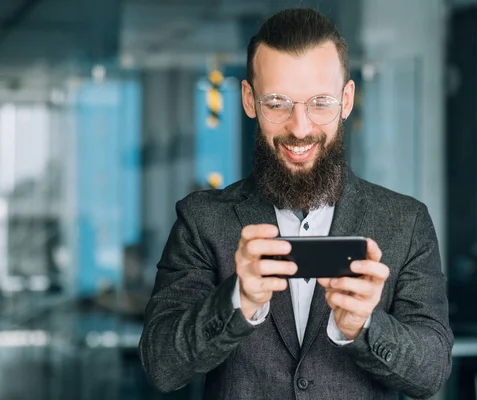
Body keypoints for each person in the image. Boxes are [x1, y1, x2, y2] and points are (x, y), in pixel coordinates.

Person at [139, 7, 453, 400]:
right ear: (250, 100)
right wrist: (239, 301)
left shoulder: (405, 223)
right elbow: (161, 366)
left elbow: (432, 372)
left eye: (320, 103)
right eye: (277, 103)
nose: (300, 128)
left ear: (347, 99)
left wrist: (364, 326)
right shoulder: (201, 220)